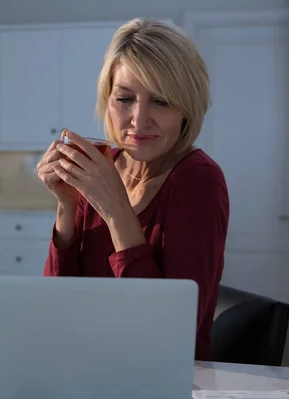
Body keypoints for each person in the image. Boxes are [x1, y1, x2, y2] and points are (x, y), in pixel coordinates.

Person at [37, 18, 229, 361]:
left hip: (160, 373)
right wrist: (66, 207)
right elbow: (58, 302)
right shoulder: (101, 167)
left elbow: (169, 330)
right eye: (124, 98)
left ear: (187, 107)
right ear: (107, 101)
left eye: (161, 101)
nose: (139, 120)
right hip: (87, 361)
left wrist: (115, 211)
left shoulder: (199, 181)